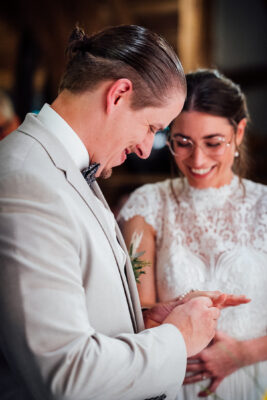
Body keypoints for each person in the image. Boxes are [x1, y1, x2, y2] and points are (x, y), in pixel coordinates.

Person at [0, 25, 247, 400]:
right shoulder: (26, 180)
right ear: (118, 95)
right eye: (151, 126)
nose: (148, 149)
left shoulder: (67, 169)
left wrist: (142, 323)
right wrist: (177, 339)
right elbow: (66, 376)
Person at [119, 69, 267, 400]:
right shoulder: (148, 205)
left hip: (255, 383)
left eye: (213, 143)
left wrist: (243, 354)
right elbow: (135, 315)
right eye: (182, 143)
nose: (197, 160)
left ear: (239, 132)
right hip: (174, 384)